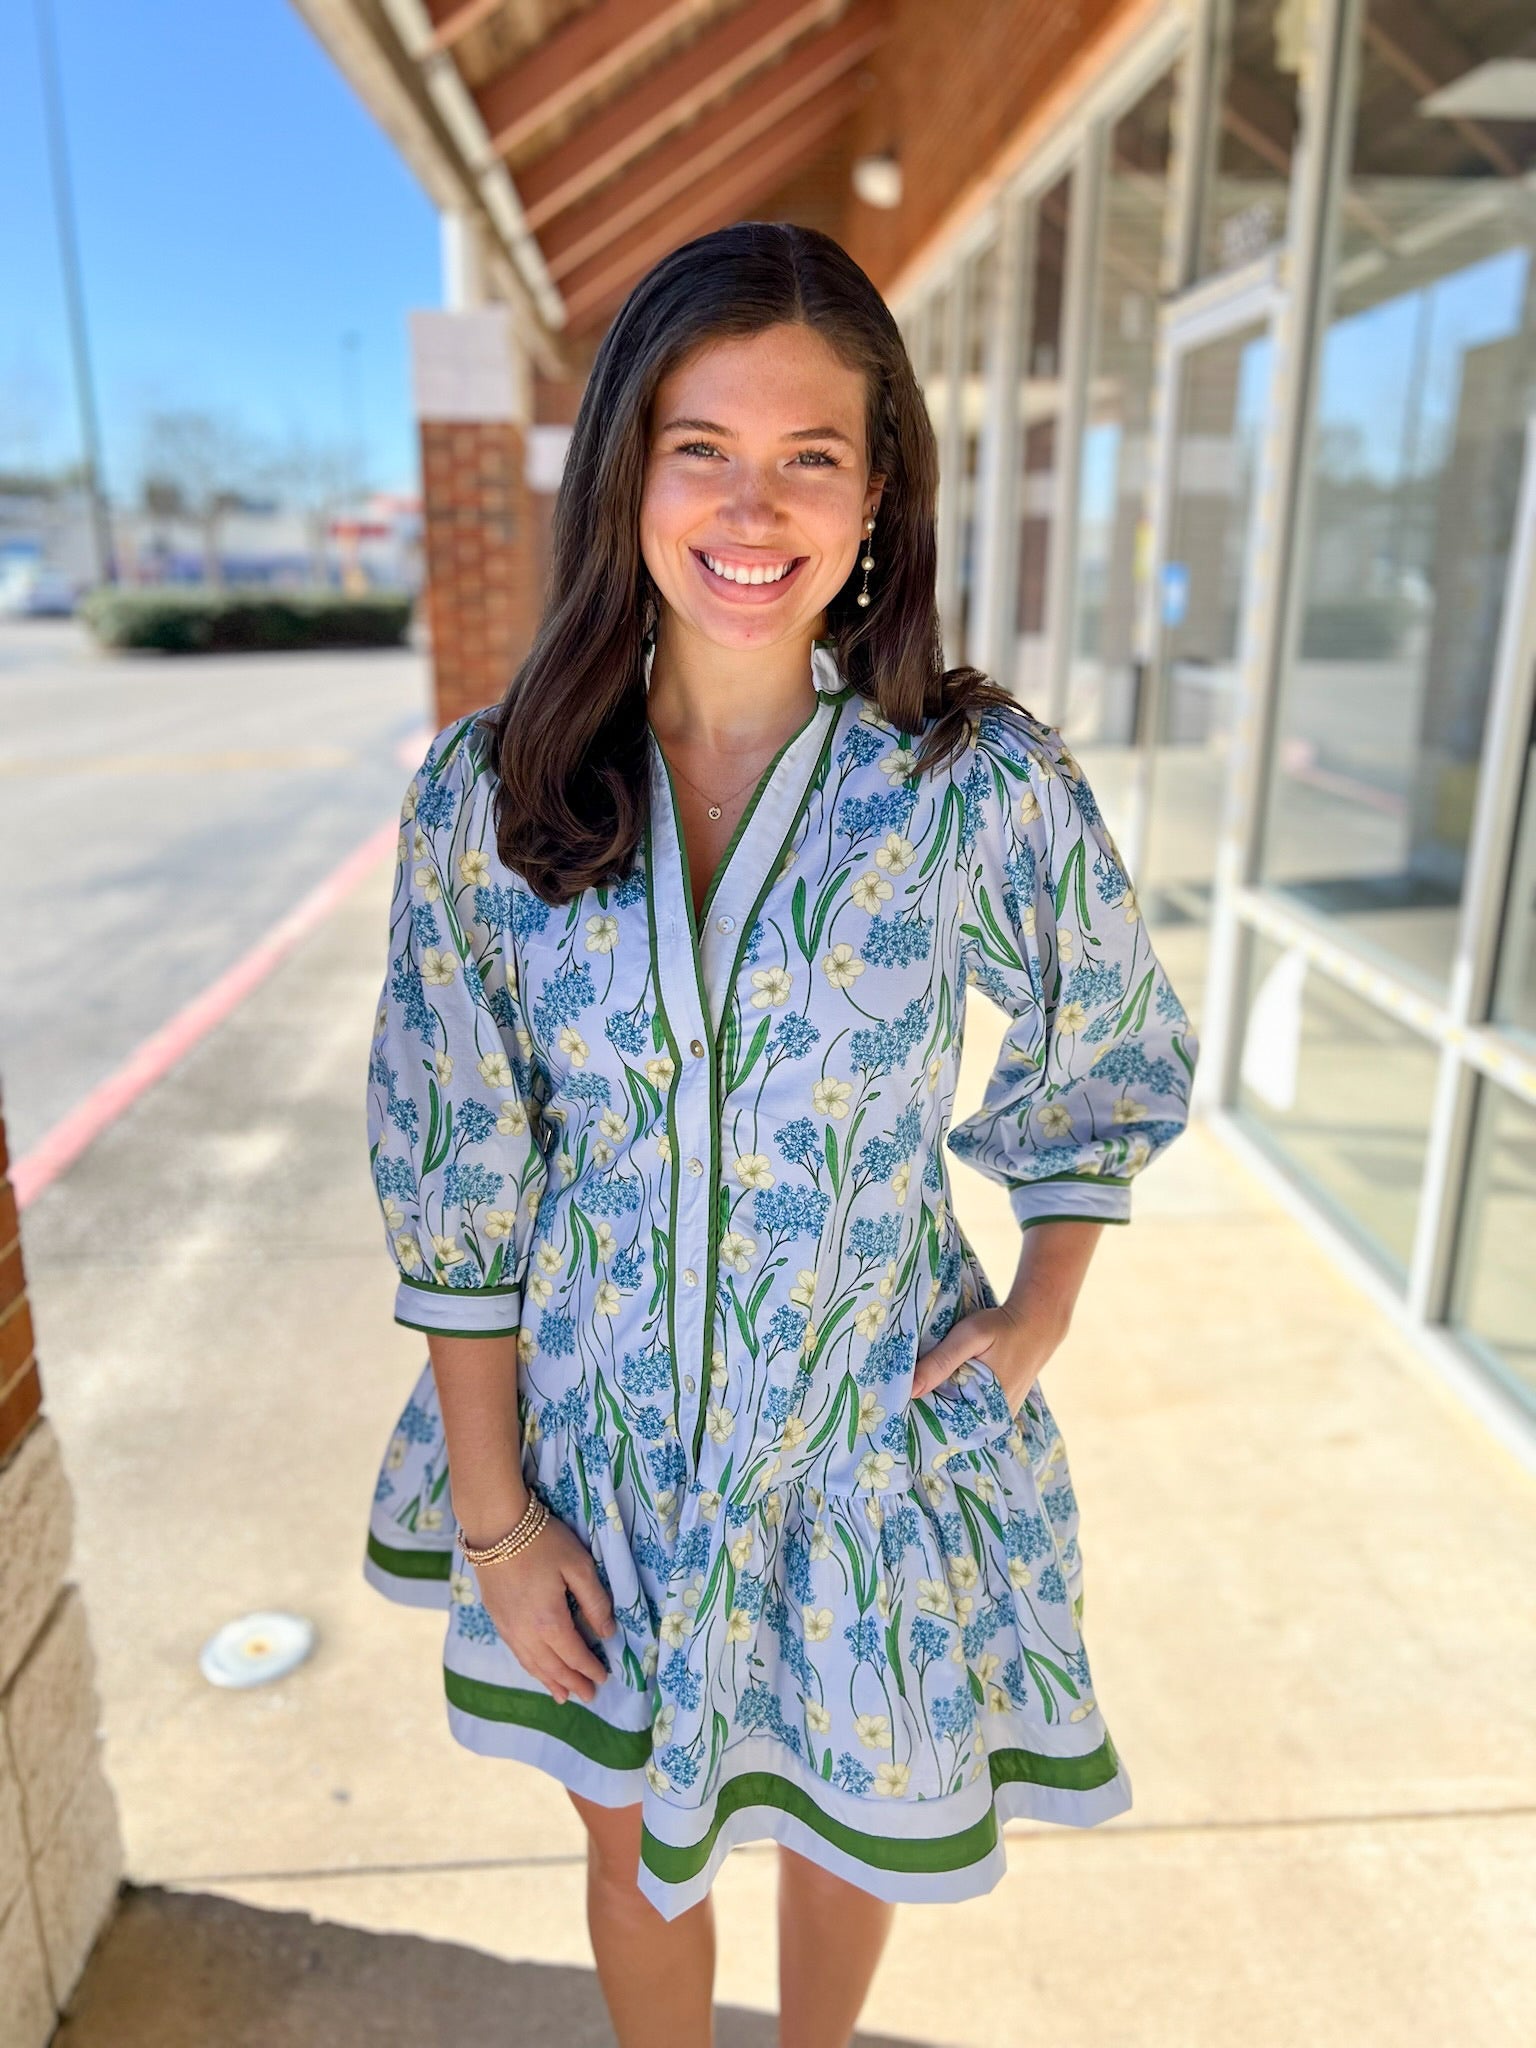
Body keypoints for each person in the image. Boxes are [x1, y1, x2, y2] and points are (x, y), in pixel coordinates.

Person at [363, 220, 1198, 2047]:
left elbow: (1107, 1042)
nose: (758, 509)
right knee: (626, 1850)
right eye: (704, 450)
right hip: (590, 1464)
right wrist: (498, 1523)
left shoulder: (973, 784)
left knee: (852, 1832)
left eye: (811, 456)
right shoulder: (491, 793)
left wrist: (1043, 1301)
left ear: (880, 485)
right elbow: (455, 1175)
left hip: (861, 1453)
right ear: (626, 477)